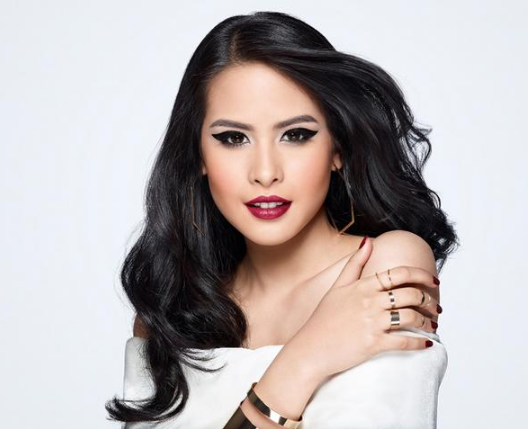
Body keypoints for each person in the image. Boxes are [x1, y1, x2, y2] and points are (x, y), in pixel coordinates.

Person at [106, 11, 459, 429]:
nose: (265, 172)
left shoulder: (381, 267)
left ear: (337, 148)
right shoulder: (172, 310)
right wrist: (305, 358)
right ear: (198, 154)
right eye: (233, 138)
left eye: (296, 135)